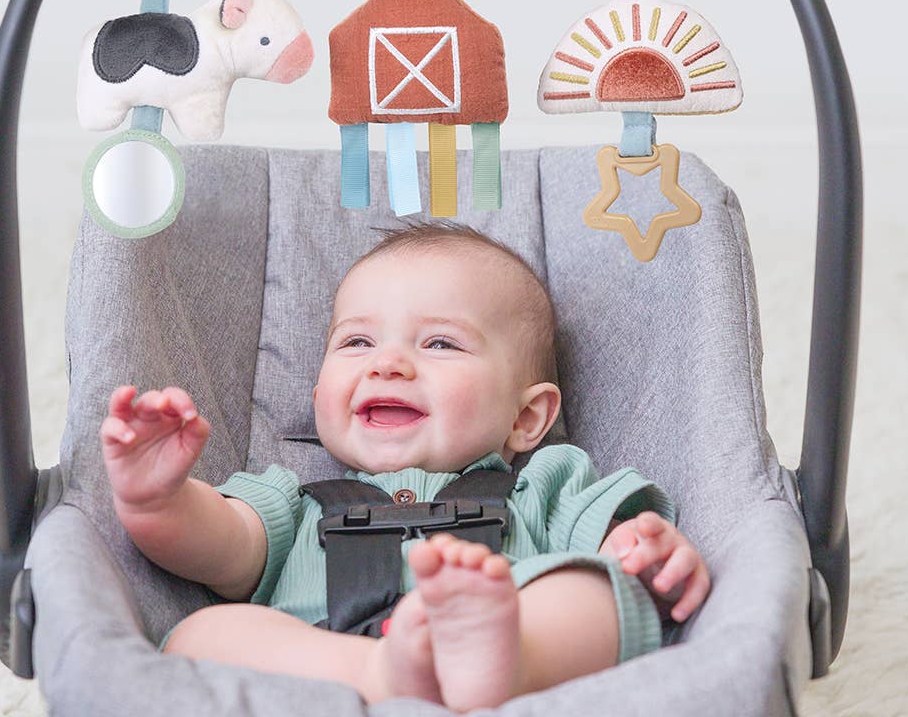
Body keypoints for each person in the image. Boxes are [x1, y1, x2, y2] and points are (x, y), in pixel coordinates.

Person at [101, 222, 710, 712]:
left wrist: (639, 552)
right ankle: (386, 673)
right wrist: (159, 500)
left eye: (440, 343)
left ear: (526, 419)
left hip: (510, 636)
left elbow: (617, 545)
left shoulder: (544, 481)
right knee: (202, 633)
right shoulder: (292, 499)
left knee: (598, 591)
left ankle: (501, 658)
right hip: (326, 668)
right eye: (356, 343)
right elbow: (217, 545)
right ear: (319, 398)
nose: (387, 364)